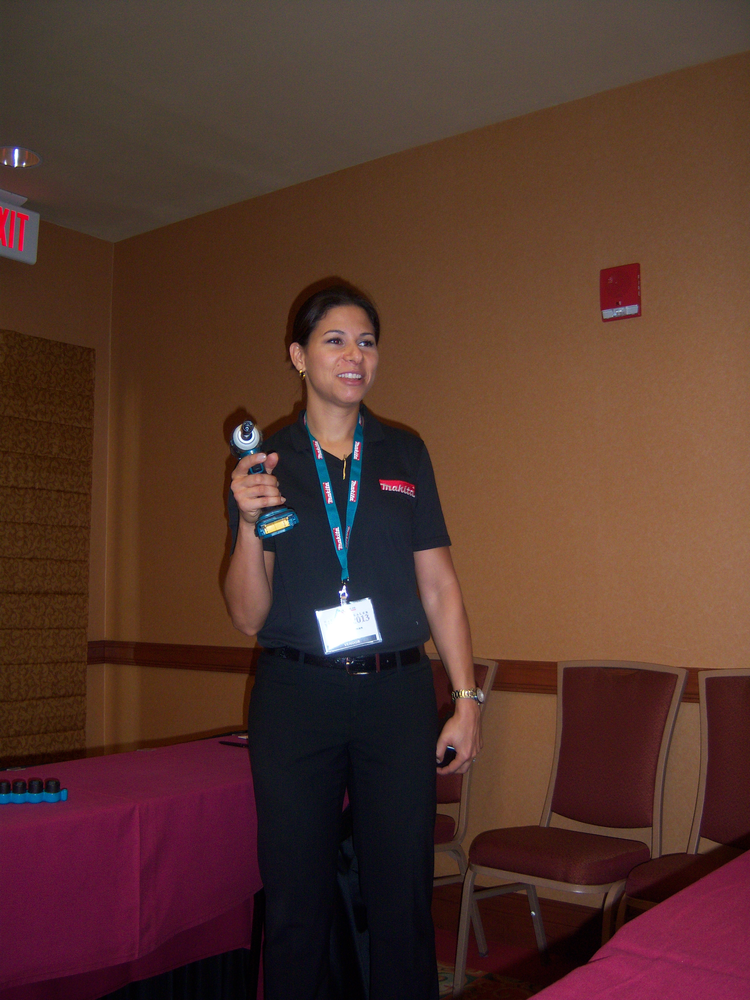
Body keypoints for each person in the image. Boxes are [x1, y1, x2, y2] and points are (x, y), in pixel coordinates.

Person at [224, 283, 481, 1000]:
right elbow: (247, 616)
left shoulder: (404, 452)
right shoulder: (265, 465)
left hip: (396, 695)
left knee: (402, 897)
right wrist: (247, 523)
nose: (354, 356)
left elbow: (440, 588)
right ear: (298, 356)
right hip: (296, 696)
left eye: (366, 342)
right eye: (334, 340)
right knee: (296, 900)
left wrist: (466, 699)